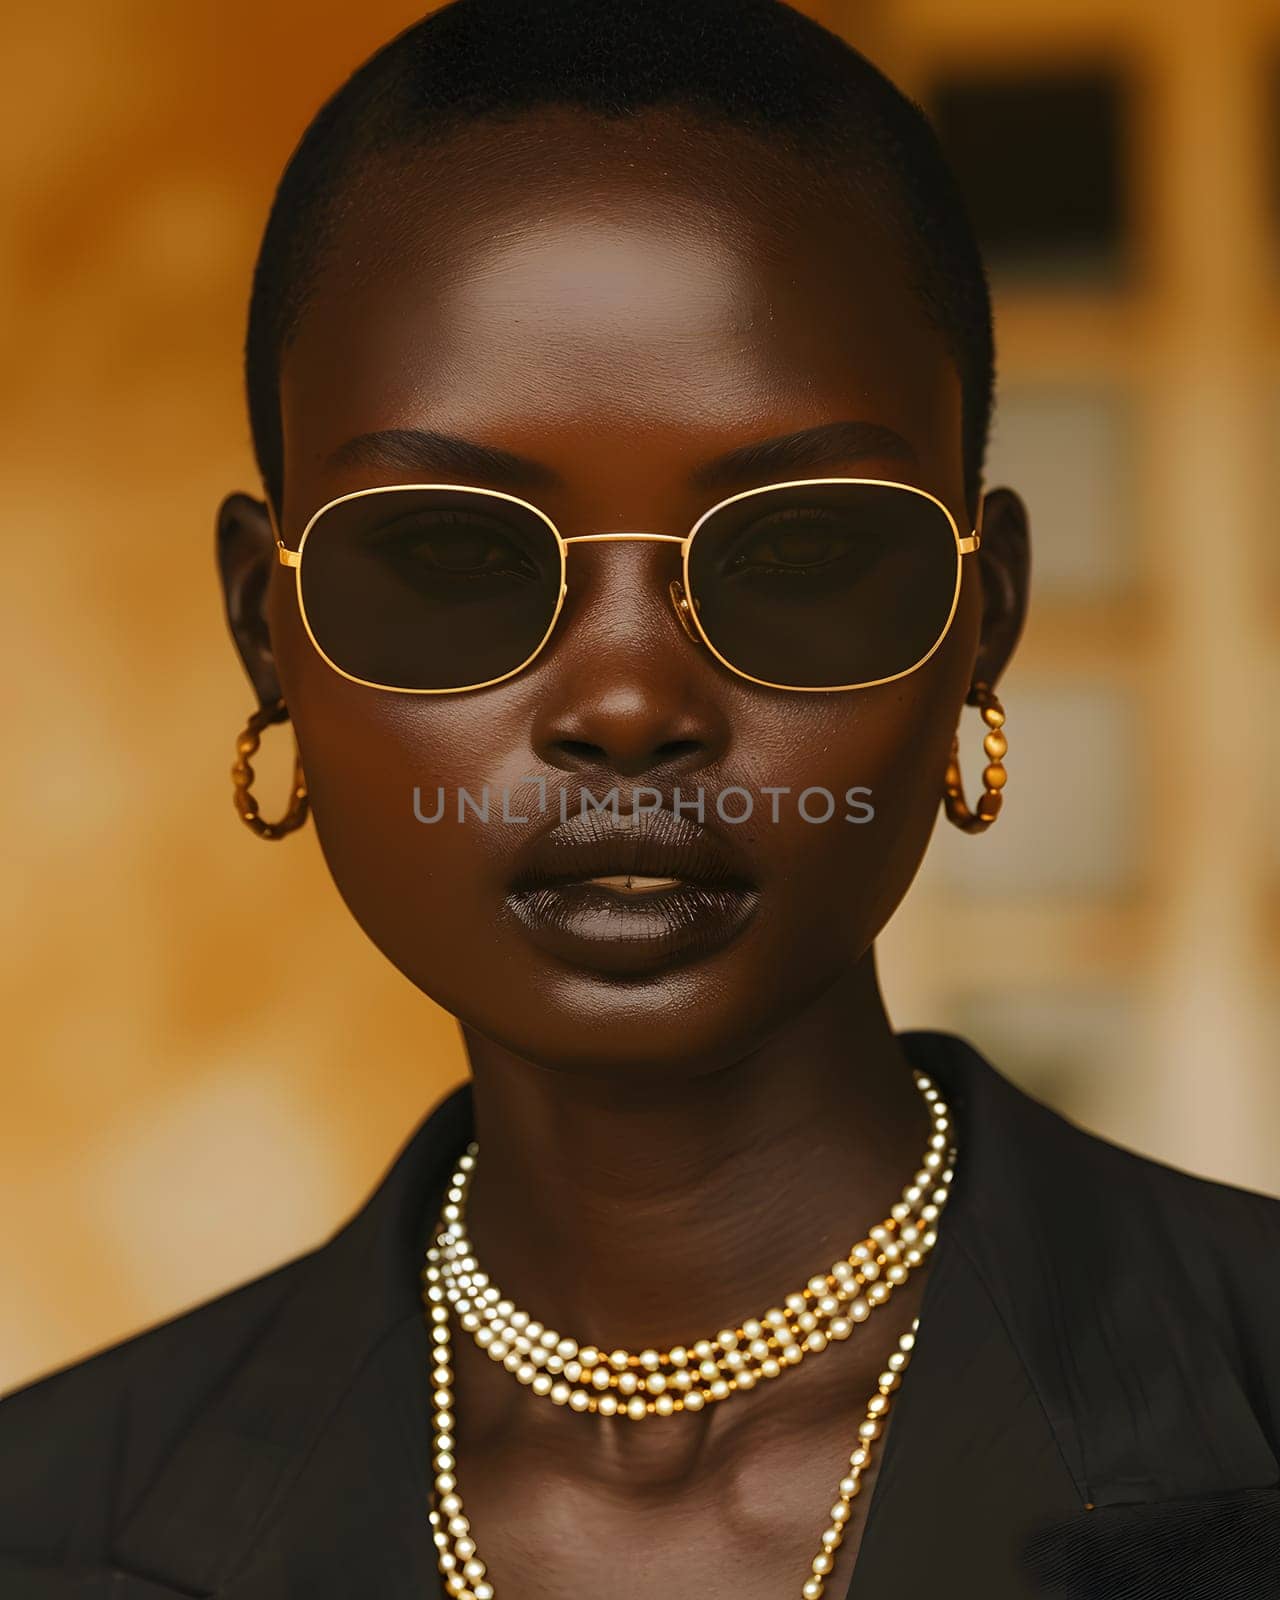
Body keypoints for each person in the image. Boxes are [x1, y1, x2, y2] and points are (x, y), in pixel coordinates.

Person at [2, 1, 1277, 1595]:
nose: (626, 705)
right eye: (456, 559)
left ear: (980, 621)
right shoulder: (45, 1527)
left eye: (798, 553)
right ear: (273, 630)